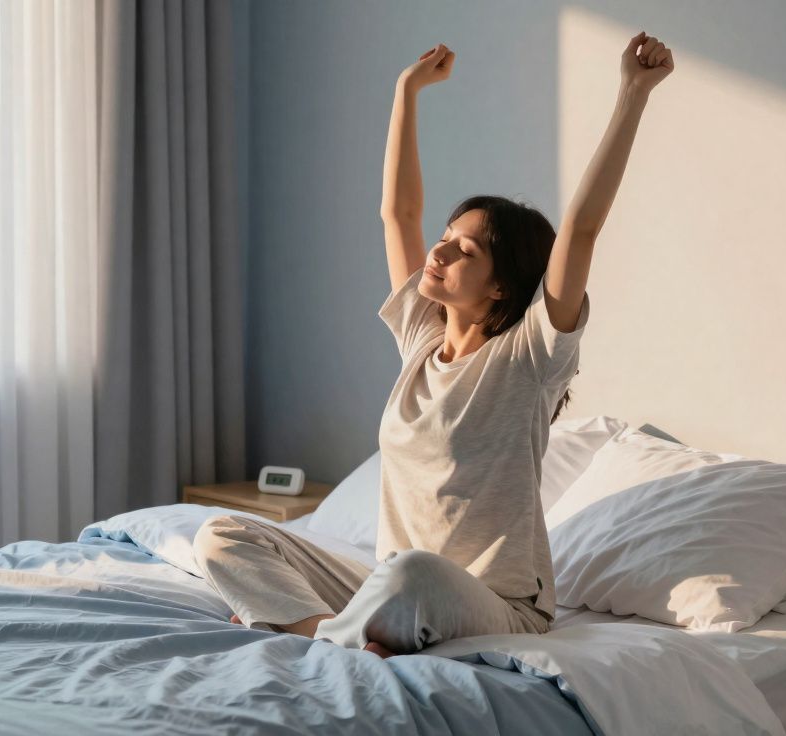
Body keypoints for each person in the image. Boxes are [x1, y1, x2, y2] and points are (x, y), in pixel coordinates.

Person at [194, 32, 675, 658]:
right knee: (222, 535)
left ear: (503, 287)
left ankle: (308, 627)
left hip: (493, 604)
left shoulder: (530, 357)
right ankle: (325, 634)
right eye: (447, 236)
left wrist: (632, 95)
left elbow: (581, 230)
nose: (440, 251)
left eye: (466, 249)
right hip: (385, 586)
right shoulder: (422, 337)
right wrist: (405, 92)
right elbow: (398, 214)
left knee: (409, 575)